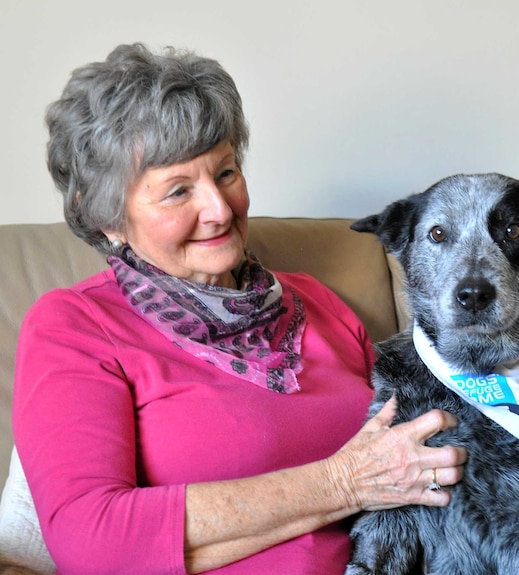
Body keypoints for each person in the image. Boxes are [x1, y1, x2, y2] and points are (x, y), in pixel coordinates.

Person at [12, 43, 467, 574]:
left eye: (225, 173)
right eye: (179, 191)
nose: (220, 209)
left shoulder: (318, 303)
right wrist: (344, 483)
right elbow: (91, 542)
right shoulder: (76, 326)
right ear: (108, 219)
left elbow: (424, 452)